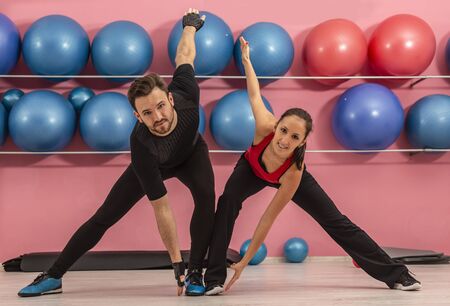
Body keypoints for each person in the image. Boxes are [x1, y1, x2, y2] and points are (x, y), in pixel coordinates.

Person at [203, 37, 422, 295]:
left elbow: (267, 220)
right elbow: (254, 93)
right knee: (228, 201)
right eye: (283, 131)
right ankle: (213, 279)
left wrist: (243, 263)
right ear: (276, 125)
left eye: (294, 137)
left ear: (303, 141)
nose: (284, 141)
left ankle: (398, 275)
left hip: (283, 175)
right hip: (252, 167)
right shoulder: (264, 127)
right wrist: (247, 61)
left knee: (336, 222)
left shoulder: (294, 173)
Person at [18, 8, 213, 297]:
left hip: (191, 154)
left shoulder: (186, 92)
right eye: (147, 113)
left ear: (170, 98)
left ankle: (197, 271)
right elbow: (162, 208)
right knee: (104, 216)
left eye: (161, 106)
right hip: (157, 163)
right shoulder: (142, 145)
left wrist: (190, 27)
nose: (158, 116)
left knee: (207, 199)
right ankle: (54, 275)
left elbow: (184, 55)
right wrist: (175, 261)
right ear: (137, 117)